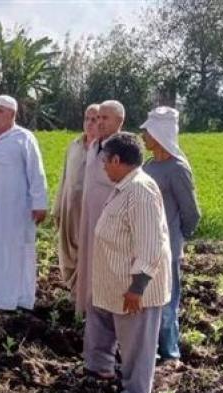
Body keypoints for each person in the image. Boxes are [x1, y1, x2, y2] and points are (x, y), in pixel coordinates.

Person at [87, 132, 172, 393]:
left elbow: (150, 243)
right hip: (114, 281)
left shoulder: (141, 190)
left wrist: (138, 288)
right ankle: (102, 372)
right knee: (107, 329)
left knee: (137, 346)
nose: (102, 166)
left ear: (116, 159)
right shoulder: (125, 185)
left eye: (105, 161)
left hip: (134, 289)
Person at [0, 95, 48, 311]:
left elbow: (36, 173)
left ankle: (13, 299)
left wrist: (39, 203)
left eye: (0, 110)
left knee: (13, 251)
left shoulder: (24, 138)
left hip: (15, 209)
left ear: (12, 115)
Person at [141, 106, 201, 364]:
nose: (143, 136)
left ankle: (170, 354)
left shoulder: (177, 169)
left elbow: (191, 212)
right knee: (145, 300)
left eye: (147, 132)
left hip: (167, 248)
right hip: (145, 245)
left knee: (167, 303)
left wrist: (177, 238)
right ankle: (148, 351)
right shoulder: (148, 165)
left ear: (159, 133)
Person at [75, 100, 125, 316]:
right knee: (87, 264)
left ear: (120, 121)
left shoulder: (124, 148)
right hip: (89, 218)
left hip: (111, 222)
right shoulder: (95, 146)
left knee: (107, 269)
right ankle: (86, 311)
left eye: (105, 118)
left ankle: (105, 315)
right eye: (97, 118)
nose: (99, 122)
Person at [52, 103, 99, 292]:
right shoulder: (74, 145)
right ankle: (74, 292)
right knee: (68, 252)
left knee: (89, 254)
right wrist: (57, 207)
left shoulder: (105, 149)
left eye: (95, 119)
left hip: (91, 212)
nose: (90, 123)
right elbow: (65, 177)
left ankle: (86, 298)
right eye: (87, 118)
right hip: (70, 208)